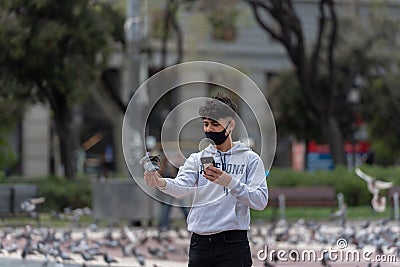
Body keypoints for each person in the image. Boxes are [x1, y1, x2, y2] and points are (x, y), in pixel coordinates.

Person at [144, 92, 268, 267]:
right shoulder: (197, 158)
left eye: (215, 124)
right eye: (206, 124)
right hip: (199, 244)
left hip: (233, 243)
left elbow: (260, 201)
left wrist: (230, 182)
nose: (209, 129)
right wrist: (160, 182)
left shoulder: (250, 159)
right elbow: (181, 188)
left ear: (230, 125)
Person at [157, 155, 190, 231]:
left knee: (184, 208)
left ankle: (189, 223)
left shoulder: (178, 165)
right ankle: (163, 225)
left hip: (178, 188)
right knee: (166, 208)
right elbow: (162, 175)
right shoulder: (164, 165)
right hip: (169, 189)